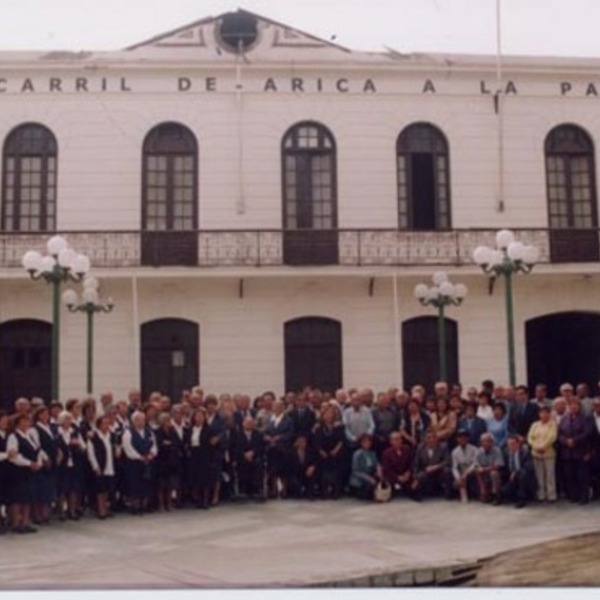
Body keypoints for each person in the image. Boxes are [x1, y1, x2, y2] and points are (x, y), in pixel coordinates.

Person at [7, 413, 42, 533]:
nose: (26, 423)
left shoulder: (29, 436)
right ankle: (16, 523)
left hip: (30, 472)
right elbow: (14, 456)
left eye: (27, 421)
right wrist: (29, 463)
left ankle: (25, 522)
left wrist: (38, 463)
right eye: (23, 421)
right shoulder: (13, 436)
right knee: (18, 498)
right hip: (18, 471)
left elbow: (37, 451)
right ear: (17, 423)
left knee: (28, 498)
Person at [558, 398, 593, 504]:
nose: (573, 407)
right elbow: (559, 433)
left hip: (581, 451)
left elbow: (587, 433)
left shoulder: (586, 418)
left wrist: (574, 440)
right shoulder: (564, 418)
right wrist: (565, 441)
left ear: (579, 406)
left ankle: (584, 497)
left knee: (582, 475)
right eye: (570, 405)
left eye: (575, 405)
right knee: (569, 475)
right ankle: (574, 496)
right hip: (567, 452)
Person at [122, 411, 158, 514]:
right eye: (138, 420)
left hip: (148, 462)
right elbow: (128, 448)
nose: (140, 422)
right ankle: (135, 506)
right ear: (133, 421)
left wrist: (151, 454)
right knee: (134, 484)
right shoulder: (128, 432)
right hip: (134, 463)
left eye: (142, 420)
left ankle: (145, 505)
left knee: (146, 484)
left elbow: (154, 445)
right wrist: (139, 457)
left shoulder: (149, 432)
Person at [29, 405, 59, 525]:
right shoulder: (34, 429)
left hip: (53, 461)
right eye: (42, 414)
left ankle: (46, 514)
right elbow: (37, 446)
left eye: (47, 413)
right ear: (37, 415)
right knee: (39, 490)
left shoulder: (50, 428)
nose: (45, 416)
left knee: (48, 489)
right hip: (42, 462)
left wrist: (58, 453)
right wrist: (45, 458)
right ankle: (37, 515)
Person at [55, 410, 87, 520]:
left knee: (73, 489)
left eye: (69, 419)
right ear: (60, 421)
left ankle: (72, 511)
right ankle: (61, 512)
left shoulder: (75, 432)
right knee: (62, 489)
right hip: (61, 465)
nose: (68, 421)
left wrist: (77, 444)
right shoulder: (56, 432)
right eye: (65, 419)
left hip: (74, 464)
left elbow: (84, 447)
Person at [87, 415, 118, 519]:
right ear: (99, 425)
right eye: (104, 423)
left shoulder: (112, 435)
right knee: (100, 489)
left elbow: (116, 446)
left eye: (108, 423)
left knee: (108, 488)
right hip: (100, 465)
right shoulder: (94, 437)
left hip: (110, 465)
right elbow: (91, 453)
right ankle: (101, 509)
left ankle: (105, 506)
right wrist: (95, 466)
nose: (106, 425)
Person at [313, 405, 345, 499]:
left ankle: (336, 491)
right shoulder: (319, 427)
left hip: (335, 452)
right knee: (322, 469)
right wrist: (320, 450)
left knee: (337, 470)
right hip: (323, 453)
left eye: (331, 414)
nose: (328, 416)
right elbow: (316, 441)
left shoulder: (339, 426)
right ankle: (323, 490)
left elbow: (342, 440)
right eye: (326, 414)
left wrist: (336, 449)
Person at [527, 406, 558, 503]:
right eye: (541, 413)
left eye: (546, 413)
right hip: (536, 452)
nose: (543, 415)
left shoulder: (553, 424)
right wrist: (535, 447)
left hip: (548, 452)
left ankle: (551, 496)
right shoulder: (535, 424)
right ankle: (541, 495)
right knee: (539, 475)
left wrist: (543, 447)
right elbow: (529, 437)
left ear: (549, 414)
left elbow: (552, 437)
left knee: (549, 475)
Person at [232, 416, 265, 501]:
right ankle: (243, 491)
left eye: (251, 423)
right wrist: (244, 454)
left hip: (255, 456)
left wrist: (253, 452)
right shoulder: (237, 434)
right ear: (243, 424)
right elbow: (234, 447)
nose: (249, 425)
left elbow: (261, 447)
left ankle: (257, 490)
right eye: (247, 423)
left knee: (258, 464)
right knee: (241, 464)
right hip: (241, 457)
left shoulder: (258, 434)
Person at [154, 413, 183, 512]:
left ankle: (169, 503)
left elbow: (178, 443)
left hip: (172, 461)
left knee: (171, 485)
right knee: (161, 485)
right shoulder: (157, 431)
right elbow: (159, 444)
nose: (168, 422)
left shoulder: (173, 431)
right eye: (166, 420)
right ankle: (161, 505)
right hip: (161, 461)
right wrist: (167, 444)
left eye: (169, 420)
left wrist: (168, 444)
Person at [413, 429, 450, 498]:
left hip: (439, 471)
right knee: (420, 477)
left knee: (447, 471)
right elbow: (416, 464)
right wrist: (416, 478)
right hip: (426, 471)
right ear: (425, 439)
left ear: (437, 438)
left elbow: (447, 461)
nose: (431, 440)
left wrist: (436, 467)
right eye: (428, 438)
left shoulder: (443, 446)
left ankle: (447, 492)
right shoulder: (420, 448)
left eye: (434, 437)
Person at [381, 432, 419, 500]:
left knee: (416, 482)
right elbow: (387, 469)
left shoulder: (407, 449)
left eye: (398, 439)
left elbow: (412, 462)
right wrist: (398, 477)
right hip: (394, 476)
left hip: (407, 474)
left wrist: (408, 473)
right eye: (394, 439)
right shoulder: (386, 453)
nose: (397, 441)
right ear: (390, 442)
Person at [503, 435, 536, 508]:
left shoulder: (525, 452)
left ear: (518, 444)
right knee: (505, 491)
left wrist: (516, 472)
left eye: (512, 444)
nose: (510, 446)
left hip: (524, 478)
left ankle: (522, 499)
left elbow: (528, 468)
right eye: (508, 444)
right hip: (511, 477)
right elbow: (504, 467)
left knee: (522, 475)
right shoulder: (506, 452)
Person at [349, 434, 382, 500]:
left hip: (370, 476)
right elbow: (355, 471)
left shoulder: (372, 453)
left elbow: (377, 464)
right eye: (365, 442)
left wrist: (379, 469)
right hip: (359, 480)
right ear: (361, 443)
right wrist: (368, 478)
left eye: (369, 442)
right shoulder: (357, 454)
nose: (367, 443)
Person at [474, 433, 505, 505]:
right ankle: (483, 491)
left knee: (494, 473)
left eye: (489, 441)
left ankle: (496, 496)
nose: (486, 443)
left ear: (492, 442)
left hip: (496, 475)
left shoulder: (497, 450)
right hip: (483, 475)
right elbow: (476, 466)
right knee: (476, 471)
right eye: (484, 441)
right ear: (481, 443)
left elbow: (498, 466)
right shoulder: (478, 451)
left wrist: (484, 469)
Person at [450, 429, 478, 502]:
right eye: (460, 437)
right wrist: (458, 477)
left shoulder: (474, 449)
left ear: (468, 438)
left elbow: (476, 462)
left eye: (465, 437)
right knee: (459, 480)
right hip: (461, 470)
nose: (463, 439)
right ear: (457, 439)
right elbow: (454, 467)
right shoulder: (454, 452)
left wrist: (467, 472)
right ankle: (463, 495)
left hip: (471, 469)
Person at [287, 435, 318, 499]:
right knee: (294, 482)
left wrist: (312, 467)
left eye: (304, 442)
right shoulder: (291, 452)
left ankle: (310, 493)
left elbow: (315, 461)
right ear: (297, 443)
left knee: (312, 475)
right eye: (300, 442)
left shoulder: (310, 451)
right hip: (296, 474)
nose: (302, 444)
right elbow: (289, 465)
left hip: (307, 473)